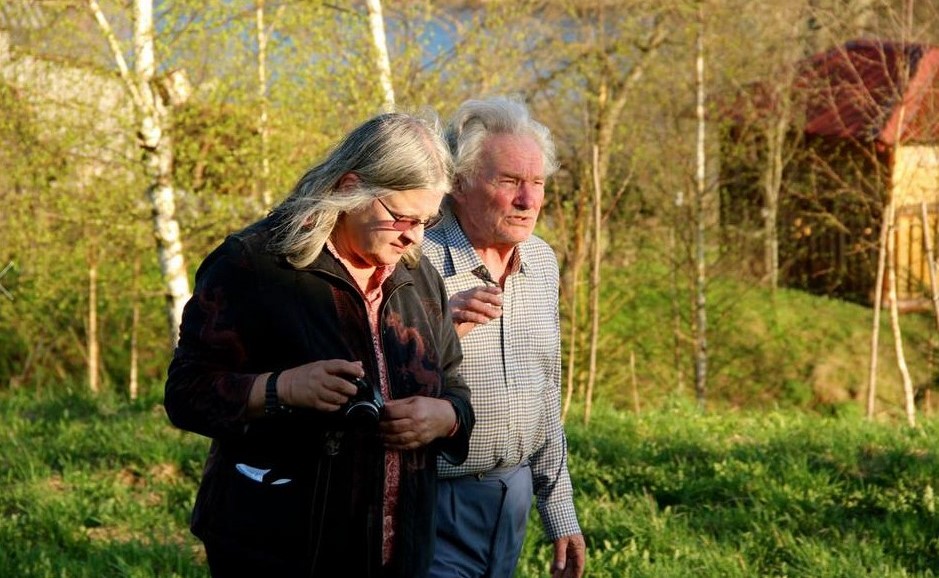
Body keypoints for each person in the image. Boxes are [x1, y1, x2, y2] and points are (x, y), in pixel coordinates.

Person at [164, 111, 475, 578]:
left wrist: (445, 417)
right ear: (351, 188)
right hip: (277, 550)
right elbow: (185, 394)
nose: (414, 235)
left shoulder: (419, 273)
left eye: (427, 220)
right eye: (401, 217)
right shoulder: (256, 264)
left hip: (399, 548)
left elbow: (453, 383)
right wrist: (282, 389)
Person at [423, 96, 586, 578]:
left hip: (511, 503)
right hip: (429, 501)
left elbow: (546, 390)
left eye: (538, 183)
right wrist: (437, 331)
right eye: (510, 181)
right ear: (459, 184)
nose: (528, 200)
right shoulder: (412, 259)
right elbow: (370, 375)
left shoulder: (541, 261)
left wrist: (560, 513)